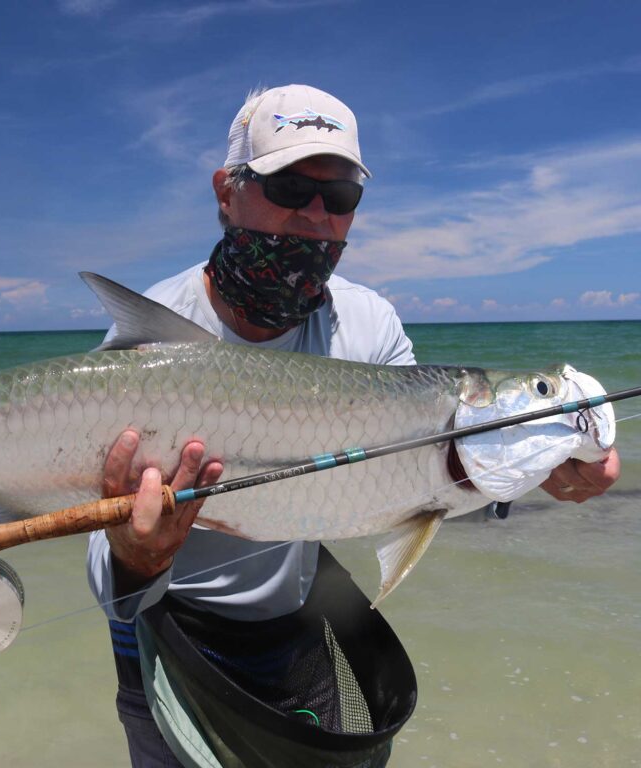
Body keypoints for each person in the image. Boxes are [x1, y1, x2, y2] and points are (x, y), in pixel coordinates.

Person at [86, 84, 620, 767]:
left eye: (339, 197)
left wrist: (541, 469)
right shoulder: (159, 328)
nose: (315, 215)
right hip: (159, 626)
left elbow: (422, 473)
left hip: (292, 625)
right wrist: (139, 557)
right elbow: (103, 555)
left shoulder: (369, 326)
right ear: (228, 191)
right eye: (288, 186)